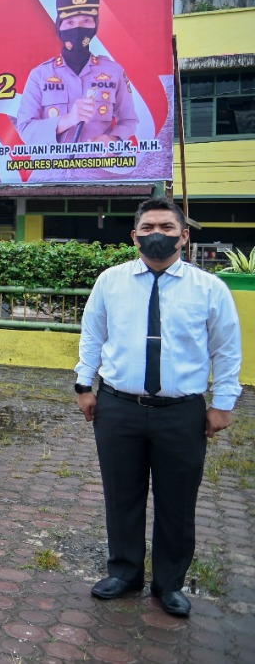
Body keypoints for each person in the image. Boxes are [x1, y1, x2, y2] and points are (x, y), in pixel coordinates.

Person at [77, 197, 242, 619]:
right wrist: (84, 384)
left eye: (167, 227)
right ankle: (125, 573)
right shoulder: (110, 282)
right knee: (122, 495)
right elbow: (92, 335)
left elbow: (226, 350)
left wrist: (223, 403)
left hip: (181, 412)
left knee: (177, 501)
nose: (157, 234)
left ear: (184, 236)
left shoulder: (209, 289)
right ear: (134, 236)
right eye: (148, 227)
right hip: (118, 407)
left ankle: (169, 584)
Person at [16, 0, 138, 146]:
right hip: (51, 168)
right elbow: (25, 129)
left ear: (95, 25)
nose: (78, 29)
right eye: (70, 22)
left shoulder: (113, 71)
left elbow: (129, 120)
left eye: (86, 21)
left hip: (98, 167)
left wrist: (113, 139)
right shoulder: (40, 74)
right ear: (59, 27)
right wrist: (69, 119)